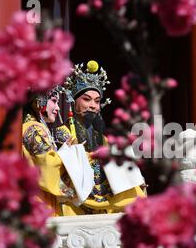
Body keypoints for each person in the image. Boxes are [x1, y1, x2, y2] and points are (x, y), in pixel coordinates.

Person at [55, 61, 146, 216]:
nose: (93, 106)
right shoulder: (63, 134)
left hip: (107, 198)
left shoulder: (102, 138)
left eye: (97, 101)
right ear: (73, 101)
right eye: (87, 99)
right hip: (77, 200)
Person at [22, 87, 77, 215]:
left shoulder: (34, 128)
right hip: (40, 202)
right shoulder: (33, 129)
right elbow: (48, 165)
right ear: (39, 101)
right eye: (54, 101)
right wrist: (70, 154)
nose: (57, 108)